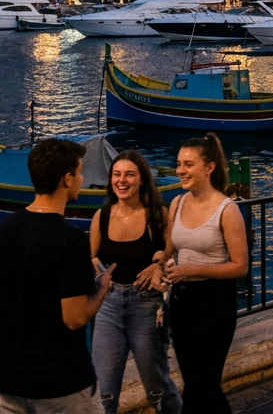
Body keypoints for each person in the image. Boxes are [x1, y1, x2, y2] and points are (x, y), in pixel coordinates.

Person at [0, 138, 114, 413]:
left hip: (10, 377)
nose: (82, 178)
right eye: (80, 172)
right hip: (59, 381)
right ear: (67, 179)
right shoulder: (71, 241)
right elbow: (74, 318)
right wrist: (102, 287)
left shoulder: (3, 230)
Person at [164, 134, 250, 414]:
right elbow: (167, 249)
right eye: (179, 164)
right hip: (181, 302)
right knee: (200, 385)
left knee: (199, 388)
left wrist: (193, 269)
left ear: (209, 167)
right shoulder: (176, 203)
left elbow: (240, 266)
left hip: (214, 304)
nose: (180, 171)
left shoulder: (227, 210)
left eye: (188, 164)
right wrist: (157, 262)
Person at [90, 151, 181, 414]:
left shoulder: (157, 215)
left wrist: (159, 263)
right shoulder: (102, 216)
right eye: (117, 174)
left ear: (142, 179)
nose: (122, 180)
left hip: (147, 305)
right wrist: (96, 269)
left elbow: (171, 251)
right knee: (103, 393)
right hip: (108, 305)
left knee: (157, 389)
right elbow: (92, 257)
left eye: (130, 174)